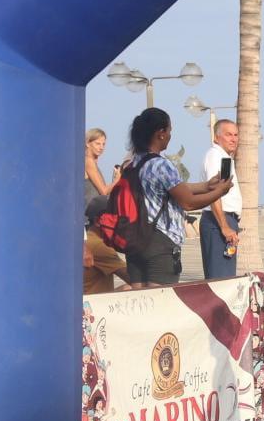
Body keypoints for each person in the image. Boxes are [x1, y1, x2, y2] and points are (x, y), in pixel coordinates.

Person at [123, 108, 233, 287]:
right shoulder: (161, 165)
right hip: (160, 242)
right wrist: (220, 191)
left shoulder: (132, 164)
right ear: (161, 133)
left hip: (134, 240)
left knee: (139, 300)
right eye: (169, 131)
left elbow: (171, 189)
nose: (170, 136)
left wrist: (206, 186)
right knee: (160, 300)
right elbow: (187, 202)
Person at [199, 119, 242, 279]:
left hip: (225, 220)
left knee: (225, 277)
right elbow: (214, 192)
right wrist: (224, 226)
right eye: (228, 134)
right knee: (220, 280)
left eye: (236, 135)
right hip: (218, 222)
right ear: (216, 138)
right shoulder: (215, 155)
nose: (233, 139)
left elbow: (222, 190)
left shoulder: (224, 158)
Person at [83, 196, 129, 294]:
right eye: (114, 217)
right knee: (131, 287)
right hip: (94, 305)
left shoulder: (89, 240)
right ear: (98, 221)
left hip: (89, 299)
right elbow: (132, 278)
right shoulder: (99, 246)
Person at [84, 128, 113, 209]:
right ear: (87, 143)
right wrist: (118, 179)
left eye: (103, 144)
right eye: (97, 144)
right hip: (88, 216)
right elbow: (104, 191)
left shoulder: (91, 162)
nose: (101, 147)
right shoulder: (88, 161)